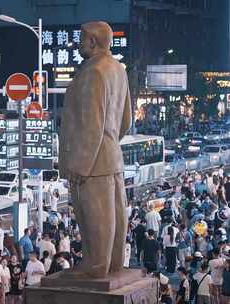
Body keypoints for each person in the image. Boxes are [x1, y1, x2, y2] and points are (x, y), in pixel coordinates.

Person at [58, 21, 131, 278]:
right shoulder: (118, 69)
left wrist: (80, 163)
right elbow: (126, 120)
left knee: (96, 217)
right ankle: (112, 264)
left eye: (81, 39)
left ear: (93, 42)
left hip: (92, 161)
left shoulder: (93, 72)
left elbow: (92, 124)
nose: (78, 45)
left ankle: (96, 267)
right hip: (111, 156)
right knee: (114, 215)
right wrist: (110, 144)